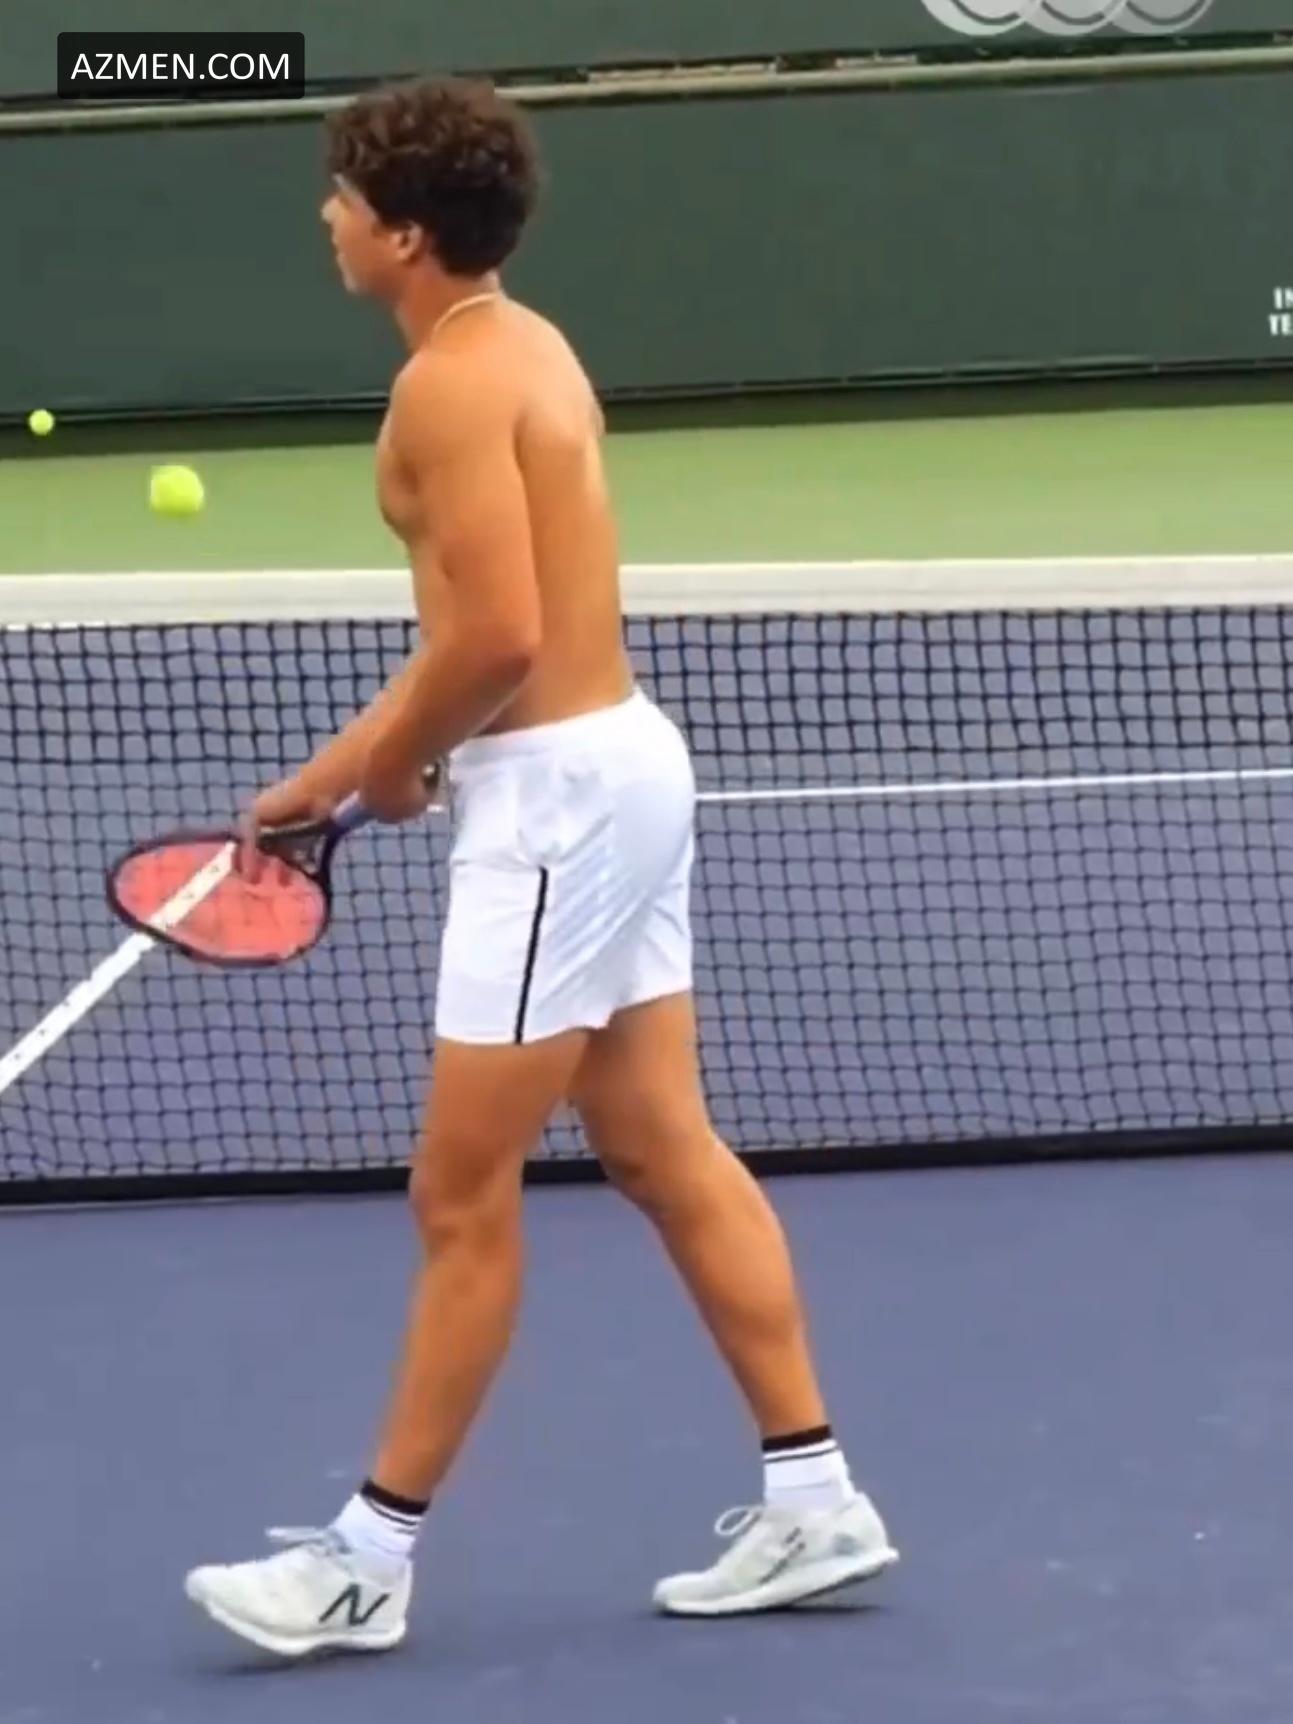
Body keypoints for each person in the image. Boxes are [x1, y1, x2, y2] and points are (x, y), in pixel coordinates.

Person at [183, 76, 897, 1659]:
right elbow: (486, 639)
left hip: (556, 809)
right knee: (656, 1144)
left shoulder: (442, 391)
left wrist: (390, 771)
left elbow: (498, 638)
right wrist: (335, 777)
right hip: (620, 764)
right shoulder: (528, 345)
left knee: (458, 1193)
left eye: (343, 198)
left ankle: (365, 1560)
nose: (326, 218)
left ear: (403, 234)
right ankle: (816, 1497)